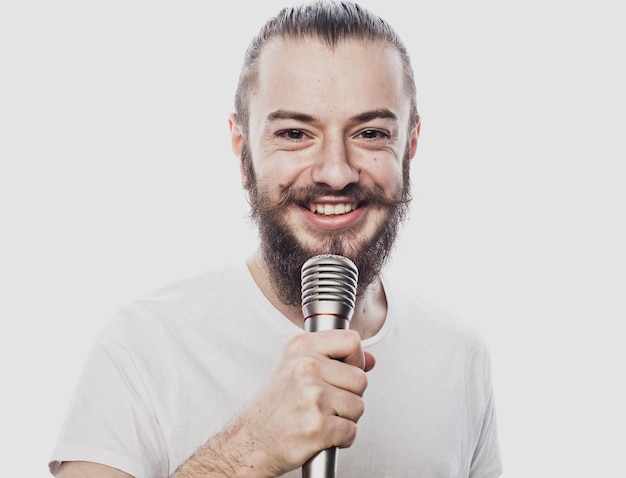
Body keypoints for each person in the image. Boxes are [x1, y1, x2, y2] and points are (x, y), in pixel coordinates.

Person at [49, 1, 502, 477]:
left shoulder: (459, 354)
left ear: (409, 145)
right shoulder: (144, 345)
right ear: (243, 149)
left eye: (370, 133)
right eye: (293, 132)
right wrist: (251, 448)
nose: (335, 173)